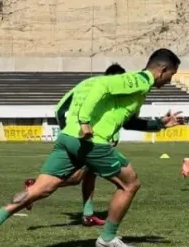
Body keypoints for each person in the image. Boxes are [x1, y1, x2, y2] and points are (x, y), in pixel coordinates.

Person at [0, 49, 183, 247]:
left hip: (68, 139)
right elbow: (102, 85)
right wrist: (85, 121)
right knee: (130, 183)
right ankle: (107, 237)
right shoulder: (140, 80)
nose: (170, 81)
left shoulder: (134, 88)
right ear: (162, 70)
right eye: (171, 75)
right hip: (92, 142)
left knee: (42, 188)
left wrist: (159, 124)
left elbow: (129, 121)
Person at [33, 63, 127, 225]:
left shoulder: (88, 86)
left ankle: (87, 214)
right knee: (79, 177)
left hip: (91, 139)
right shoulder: (103, 91)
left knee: (90, 174)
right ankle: (34, 187)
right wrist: (72, 133)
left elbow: (60, 109)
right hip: (89, 141)